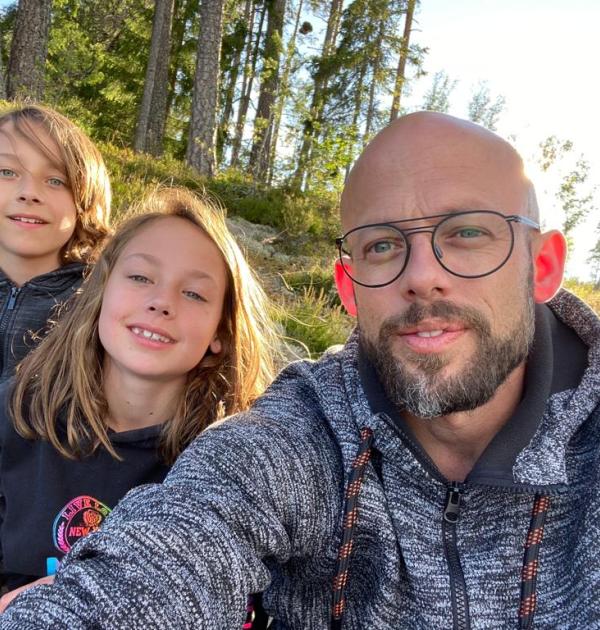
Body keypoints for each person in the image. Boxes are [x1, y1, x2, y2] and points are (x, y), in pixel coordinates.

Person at [1, 112, 599, 629]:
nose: (422, 275)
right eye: (382, 245)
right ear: (349, 287)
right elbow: (174, 550)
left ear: (543, 265)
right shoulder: (299, 433)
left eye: (467, 233)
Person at [0, 188, 276, 619]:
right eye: (141, 277)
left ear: (219, 334)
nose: (161, 302)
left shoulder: (233, 467)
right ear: (101, 292)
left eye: (194, 294)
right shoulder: (15, 413)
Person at [0, 104, 112, 383]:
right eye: (7, 172)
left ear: (85, 200)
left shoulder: (103, 302)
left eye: (55, 180)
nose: (29, 193)